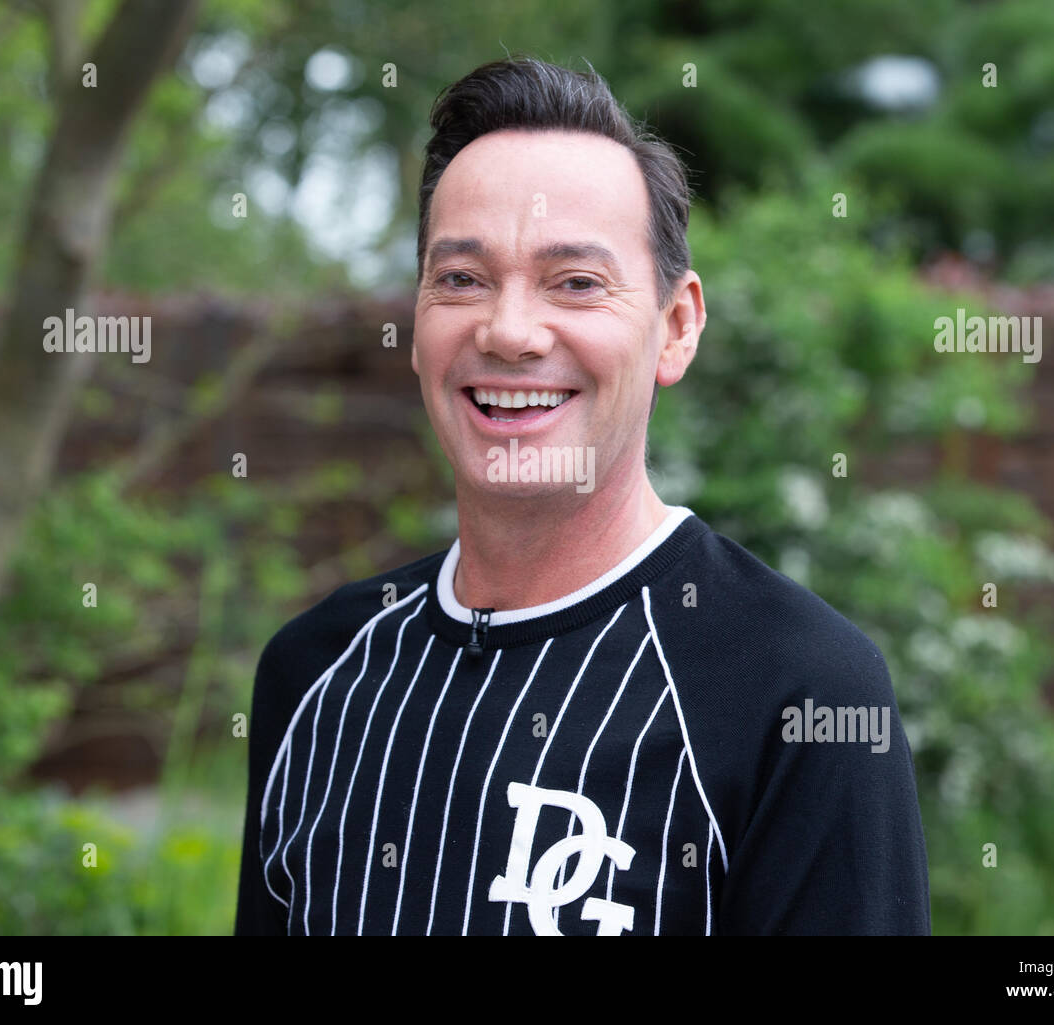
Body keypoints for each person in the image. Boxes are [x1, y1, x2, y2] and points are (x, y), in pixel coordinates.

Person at [234, 56, 929, 936]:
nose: (510, 331)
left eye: (576, 282)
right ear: (416, 326)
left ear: (676, 328)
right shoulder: (313, 673)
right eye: (462, 279)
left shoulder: (805, 692)